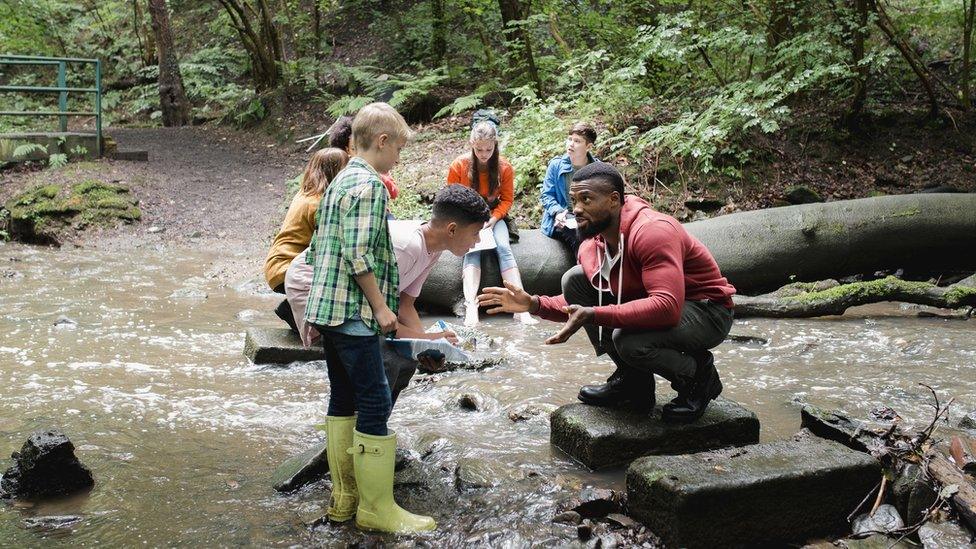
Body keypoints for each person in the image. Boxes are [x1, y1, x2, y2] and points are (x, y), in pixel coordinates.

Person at [477, 162, 736, 424]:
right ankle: (634, 383)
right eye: (574, 200)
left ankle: (698, 376)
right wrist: (533, 304)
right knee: (575, 280)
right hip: (659, 304)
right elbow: (579, 301)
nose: (576, 209)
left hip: (707, 310)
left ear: (614, 200)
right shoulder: (594, 241)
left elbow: (666, 307)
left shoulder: (652, 231)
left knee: (628, 340)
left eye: (586, 199)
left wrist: (594, 314)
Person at [304, 102, 435, 533]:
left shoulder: (340, 180)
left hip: (328, 310)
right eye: (398, 148)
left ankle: (345, 501)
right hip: (354, 313)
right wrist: (381, 307)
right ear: (381, 142)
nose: (399, 156)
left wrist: (312, 311)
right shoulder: (370, 186)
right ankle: (377, 509)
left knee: (343, 400)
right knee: (375, 401)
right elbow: (357, 254)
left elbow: (322, 246)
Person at [283, 183, 490, 400]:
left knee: (406, 360)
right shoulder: (407, 247)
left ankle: (369, 423)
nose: (477, 241)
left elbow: (405, 305)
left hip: (357, 296)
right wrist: (427, 339)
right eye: (475, 234)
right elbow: (375, 314)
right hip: (313, 284)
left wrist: (427, 345)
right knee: (385, 361)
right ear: (452, 229)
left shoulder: (433, 251)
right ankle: (366, 423)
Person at [447, 119, 537, 327]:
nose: (484, 154)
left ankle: (519, 306)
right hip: (468, 217)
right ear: (472, 144)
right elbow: (451, 196)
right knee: (473, 250)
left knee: (504, 248)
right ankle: (471, 306)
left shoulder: (504, 167)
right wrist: (468, 220)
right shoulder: (459, 165)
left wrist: (494, 219)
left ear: (495, 145)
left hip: (494, 216)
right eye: (479, 149)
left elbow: (506, 199)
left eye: (488, 149)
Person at [263, 147, 349, 332]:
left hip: (277, 266)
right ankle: (297, 313)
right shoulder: (318, 204)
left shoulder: (305, 194)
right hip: (288, 268)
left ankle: (293, 308)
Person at [540, 122, 598, 257]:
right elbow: (546, 196)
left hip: (588, 217)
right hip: (562, 217)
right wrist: (558, 212)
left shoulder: (597, 169)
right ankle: (584, 273)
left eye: (577, 141)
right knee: (579, 236)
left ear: (588, 146)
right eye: (570, 139)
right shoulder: (556, 165)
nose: (571, 144)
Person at [330, 114, 399, 213]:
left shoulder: (373, 165)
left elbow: (393, 192)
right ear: (346, 150)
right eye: (355, 148)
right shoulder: (342, 173)